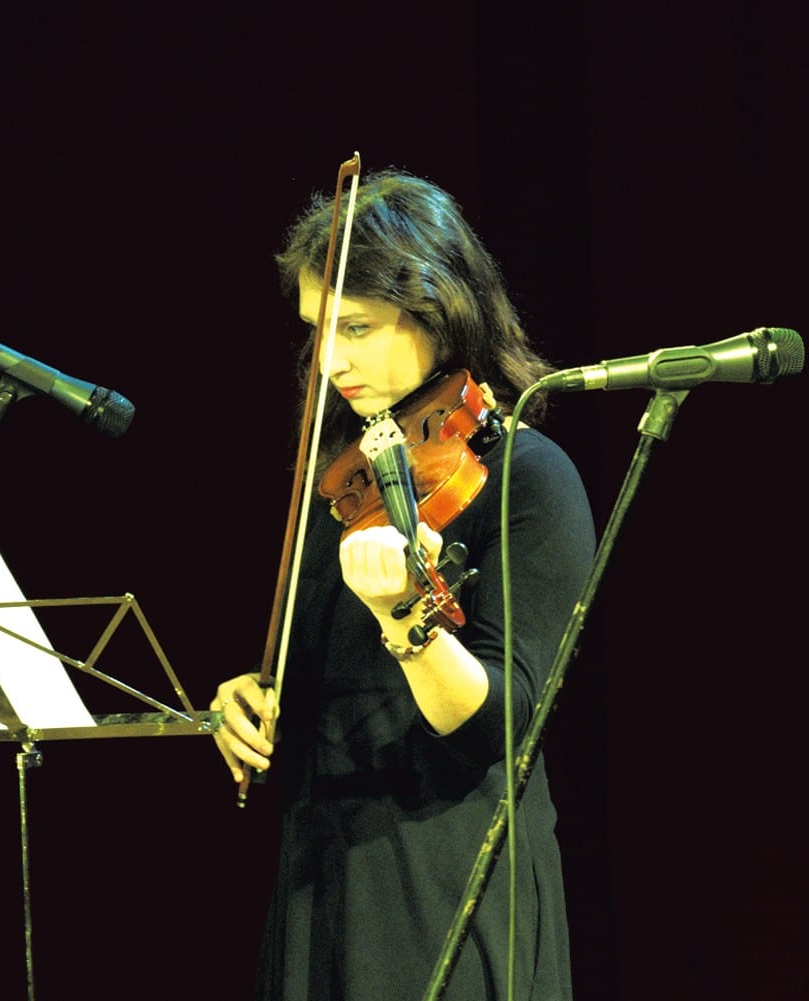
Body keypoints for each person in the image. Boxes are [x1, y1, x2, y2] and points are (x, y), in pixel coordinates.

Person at [211, 168, 596, 1001]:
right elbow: (330, 683)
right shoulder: (347, 481)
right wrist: (252, 696)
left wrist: (404, 615)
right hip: (321, 881)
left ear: (438, 309)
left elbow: (498, 722)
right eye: (317, 330)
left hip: (450, 886)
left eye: (356, 327)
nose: (329, 359)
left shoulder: (528, 476)